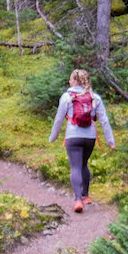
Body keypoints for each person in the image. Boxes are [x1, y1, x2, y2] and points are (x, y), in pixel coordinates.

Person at [48, 68, 115, 213]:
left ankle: (78, 199)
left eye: (71, 78)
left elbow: (59, 119)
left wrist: (53, 137)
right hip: (90, 137)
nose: (69, 81)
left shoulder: (66, 97)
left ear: (75, 81)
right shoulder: (94, 97)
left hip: (73, 135)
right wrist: (110, 140)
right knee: (83, 164)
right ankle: (86, 196)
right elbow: (104, 120)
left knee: (75, 167)